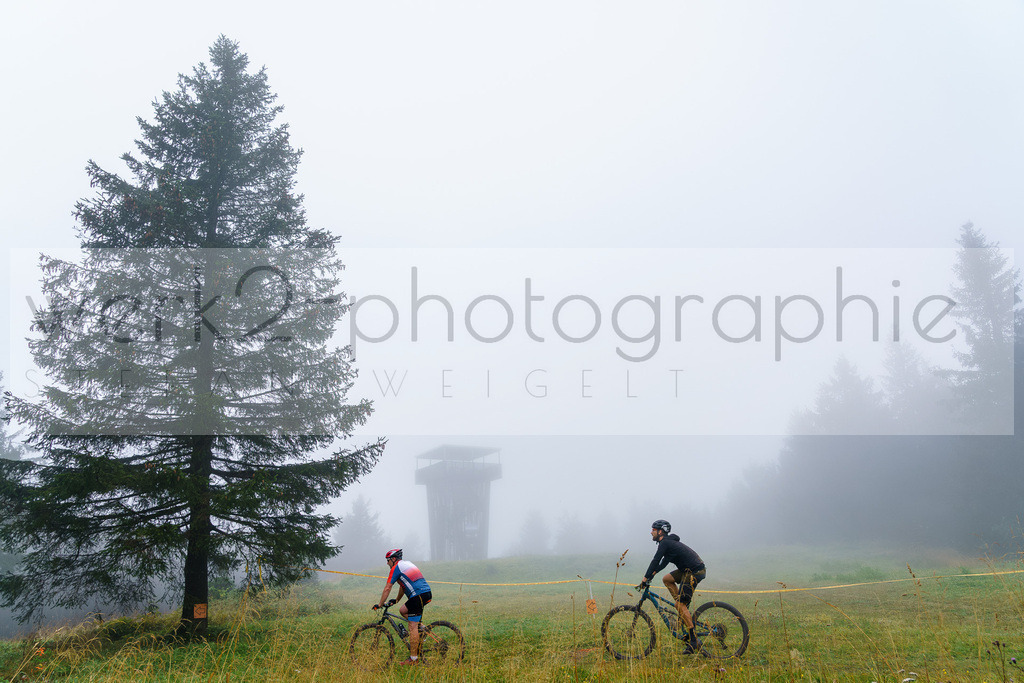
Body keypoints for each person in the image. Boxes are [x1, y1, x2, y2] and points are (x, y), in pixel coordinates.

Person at [639, 519, 706, 653]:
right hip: (688, 569)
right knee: (667, 579)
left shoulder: (665, 543)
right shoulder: (669, 544)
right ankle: (682, 606)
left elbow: (655, 560)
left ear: (660, 531)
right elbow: (662, 564)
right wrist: (651, 576)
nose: (651, 532)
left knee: (679, 605)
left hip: (694, 571)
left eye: (653, 530)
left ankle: (694, 641)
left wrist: (645, 578)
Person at [374, 548, 433, 665]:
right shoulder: (407, 564)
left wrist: (380, 604)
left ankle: (413, 659)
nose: (387, 563)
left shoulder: (396, 568)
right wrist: (396, 600)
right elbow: (402, 587)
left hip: (418, 595)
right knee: (403, 610)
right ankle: (423, 629)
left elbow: (387, 588)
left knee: (412, 626)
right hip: (424, 593)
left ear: (394, 559)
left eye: (388, 560)